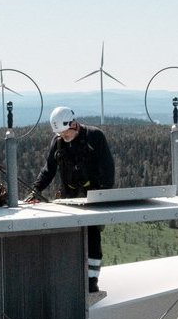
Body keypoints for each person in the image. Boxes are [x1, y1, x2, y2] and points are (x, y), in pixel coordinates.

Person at [26, 106, 115, 293]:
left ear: (73, 124)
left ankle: (91, 282)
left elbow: (108, 168)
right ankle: (69, 278)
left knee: (92, 238)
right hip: (69, 198)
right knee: (67, 238)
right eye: (60, 134)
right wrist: (36, 190)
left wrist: (103, 195)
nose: (63, 137)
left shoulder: (95, 137)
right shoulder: (58, 142)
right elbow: (48, 169)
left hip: (93, 198)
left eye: (65, 133)